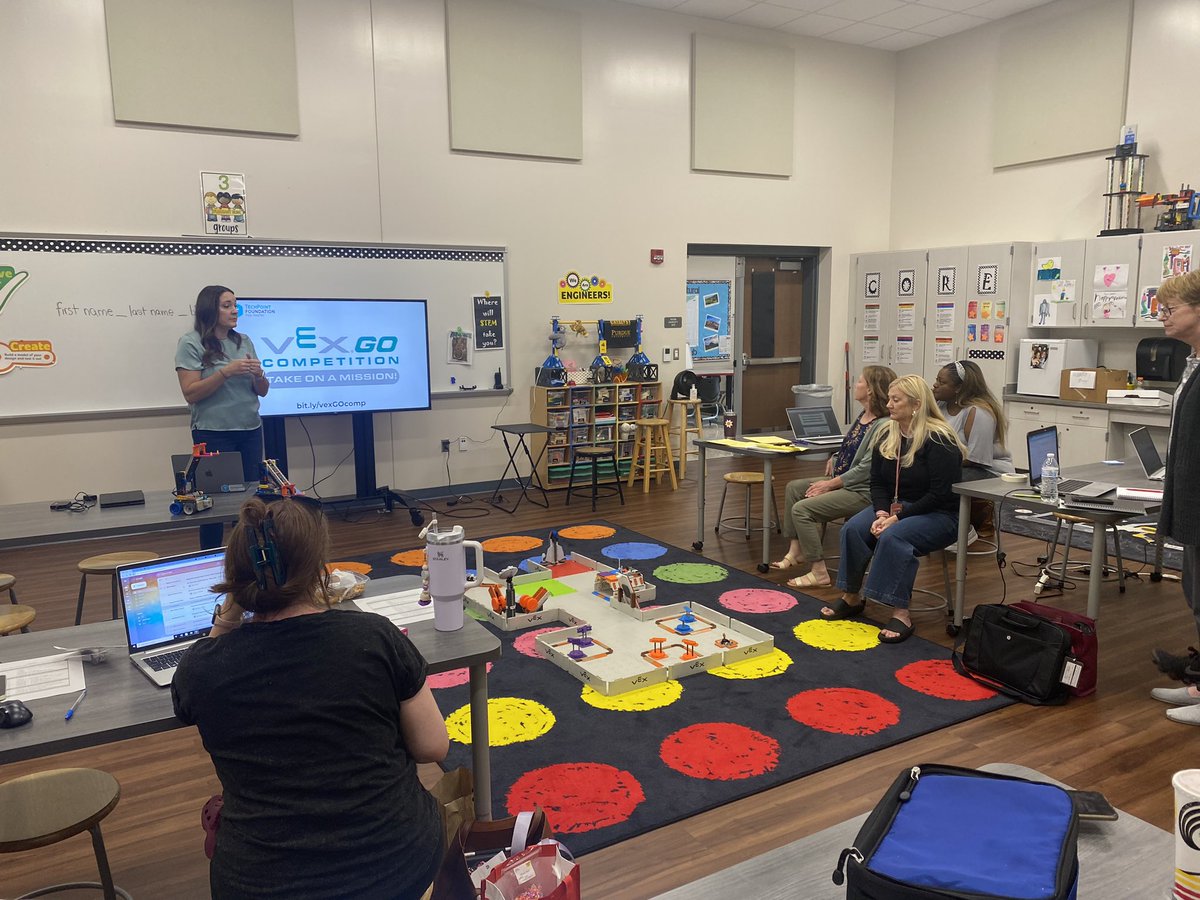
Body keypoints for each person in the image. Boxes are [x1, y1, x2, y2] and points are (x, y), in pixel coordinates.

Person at [173, 496, 449, 898]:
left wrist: (229, 615)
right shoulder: (374, 637)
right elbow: (431, 746)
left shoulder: (203, 667)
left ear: (235, 577)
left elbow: (184, 697)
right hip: (397, 865)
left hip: (257, 885)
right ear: (321, 571)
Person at [821, 375, 965, 643]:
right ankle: (851, 596)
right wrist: (881, 513)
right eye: (889, 398)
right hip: (895, 509)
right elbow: (877, 483)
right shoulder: (887, 433)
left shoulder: (940, 439)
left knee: (894, 536)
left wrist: (897, 518)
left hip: (940, 514)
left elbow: (940, 494)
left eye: (895, 400)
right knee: (853, 528)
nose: (888, 404)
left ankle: (901, 613)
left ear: (916, 404)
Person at [770, 365, 896, 588]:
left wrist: (830, 484)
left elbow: (867, 467)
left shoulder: (884, 425)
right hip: (844, 482)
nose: (855, 385)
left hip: (861, 491)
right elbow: (851, 446)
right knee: (794, 488)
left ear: (870, 390)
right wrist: (836, 456)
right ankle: (796, 551)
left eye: (860, 381)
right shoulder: (864, 416)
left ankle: (818, 571)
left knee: (802, 509)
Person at [175, 285, 270, 549]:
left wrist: (259, 375)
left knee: (252, 500)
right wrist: (225, 372)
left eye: (235, 305)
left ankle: (249, 556)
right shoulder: (191, 342)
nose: (234, 310)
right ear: (210, 309)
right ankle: (211, 556)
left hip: (250, 429)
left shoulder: (244, 341)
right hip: (212, 432)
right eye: (226, 305)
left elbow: (261, 391)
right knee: (212, 503)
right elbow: (191, 393)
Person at [1146, 270, 1200, 725]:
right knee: (1195, 592)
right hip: (1189, 498)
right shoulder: (1194, 361)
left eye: (1170, 309)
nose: (1162, 316)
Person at [931, 359, 1014, 536]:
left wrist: (937, 465)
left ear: (959, 388)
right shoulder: (941, 405)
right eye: (937, 379)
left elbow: (977, 459)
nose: (935, 385)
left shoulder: (978, 412)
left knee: (940, 481)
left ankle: (961, 529)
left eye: (942, 382)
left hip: (989, 470)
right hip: (956, 464)